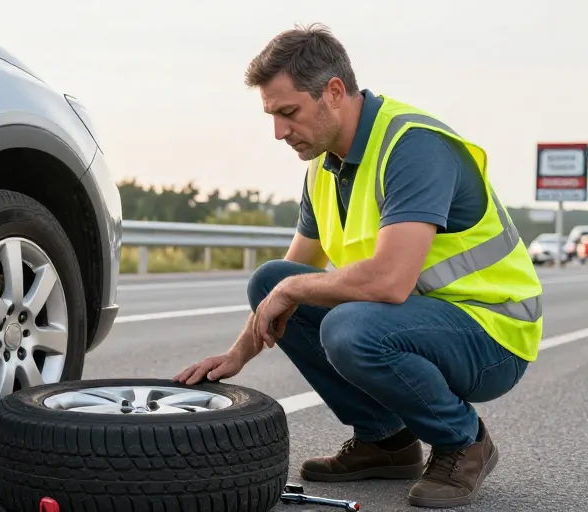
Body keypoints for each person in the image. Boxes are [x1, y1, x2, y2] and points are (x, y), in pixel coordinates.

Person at [173, 23, 542, 509]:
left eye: (288, 113)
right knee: (272, 281)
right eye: (272, 116)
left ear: (333, 92)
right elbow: (291, 274)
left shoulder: (414, 147)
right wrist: (239, 352)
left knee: (349, 326)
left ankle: (463, 442)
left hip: (492, 330)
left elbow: (389, 282)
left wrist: (294, 293)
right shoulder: (324, 167)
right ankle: (386, 441)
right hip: (417, 319)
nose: (279, 132)